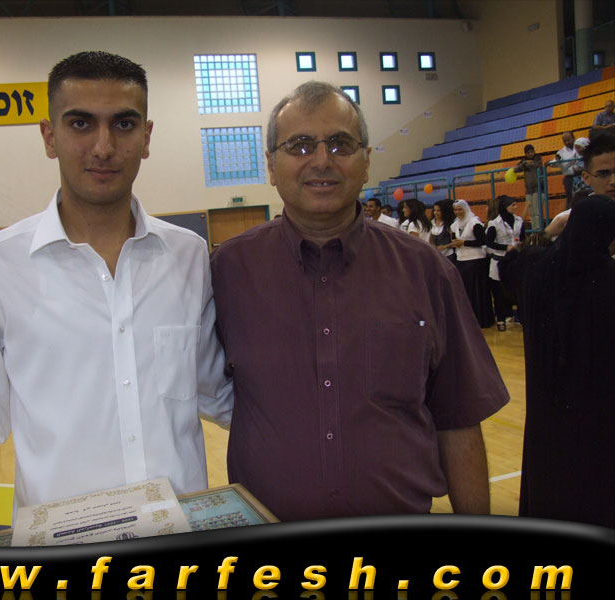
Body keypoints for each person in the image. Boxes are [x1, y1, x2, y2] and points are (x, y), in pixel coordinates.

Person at [0, 51, 233, 545]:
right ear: (49, 137)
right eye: (81, 123)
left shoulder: (189, 256)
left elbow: (218, 391)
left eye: (123, 124)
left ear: (147, 137)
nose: (103, 147)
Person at [210, 81, 508, 522]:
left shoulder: (425, 271)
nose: (322, 160)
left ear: (366, 162)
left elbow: (459, 419)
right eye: (300, 145)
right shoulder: (228, 272)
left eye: (340, 144)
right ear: (271, 165)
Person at [499, 196, 615, 528]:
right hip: (598, 411)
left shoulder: (537, 271)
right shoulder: (608, 279)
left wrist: (548, 233)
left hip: (546, 410)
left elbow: (510, 262)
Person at [543, 132, 615, 241]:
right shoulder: (566, 221)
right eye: (603, 174)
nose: (613, 181)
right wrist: (545, 235)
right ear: (586, 178)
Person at [449, 200, 495, 328]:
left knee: (477, 292)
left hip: (476, 260)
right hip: (461, 260)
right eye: (456, 210)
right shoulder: (454, 225)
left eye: (460, 209)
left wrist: (464, 243)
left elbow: (483, 241)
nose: (458, 212)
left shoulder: (474, 223)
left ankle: (482, 320)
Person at [485, 196, 523, 331]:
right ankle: (501, 319)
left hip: (515, 260)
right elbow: (489, 243)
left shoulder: (519, 220)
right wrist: (506, 247)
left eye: (516, 205)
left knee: (517, 290)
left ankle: (521, 318)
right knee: (499, 292)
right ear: (505, 206)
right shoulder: (494, 223)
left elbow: (522, 237)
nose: (515, 207)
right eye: (512, 205)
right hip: (499, 260)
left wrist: (520, 246)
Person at [513, 144, 542, 229]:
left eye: (532, 151)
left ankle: (538, 229)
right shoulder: (523, 161)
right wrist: (524, 164)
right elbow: (515, 169)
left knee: (537, 211)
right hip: (528, 189)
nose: (530, 154)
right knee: (531, 212)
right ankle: (534, 229)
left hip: (538, 188)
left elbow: (538, 166)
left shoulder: (538, 158)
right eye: (528, 152)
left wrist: (528, 164)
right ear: (525, 154)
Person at [553, 131, 580, 210]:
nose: (567, 142)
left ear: (573, 138)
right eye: (565, 141)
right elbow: (554, 161)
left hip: (581, 175)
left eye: (568, 140)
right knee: (571, 199)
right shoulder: (561, 152)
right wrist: (556, 160)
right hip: (569, 178)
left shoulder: (580, 147)